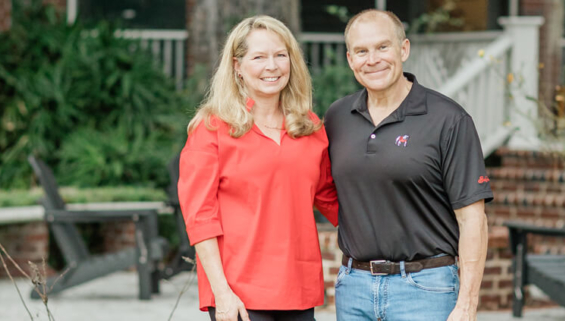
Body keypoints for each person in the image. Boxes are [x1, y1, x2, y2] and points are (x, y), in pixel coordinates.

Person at [324, 9, 494, 321]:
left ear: (404, 49)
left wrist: (467, 304)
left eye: (382, 47)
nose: (372, 59)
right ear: (350, 59)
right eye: (361, 51)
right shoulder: (337, 117)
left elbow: (473, 221)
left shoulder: (448, 119)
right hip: (354, 287)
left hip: (426, 288)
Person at [178, 15, 338, 321]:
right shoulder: (212, 128)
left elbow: (333, 199)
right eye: (259, 57)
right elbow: (199, 217)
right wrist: (221, 292)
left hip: (299, 290)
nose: (272, 66)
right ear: (237, 66)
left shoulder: (309, 126)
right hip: (239, 295)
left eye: (281, 55)